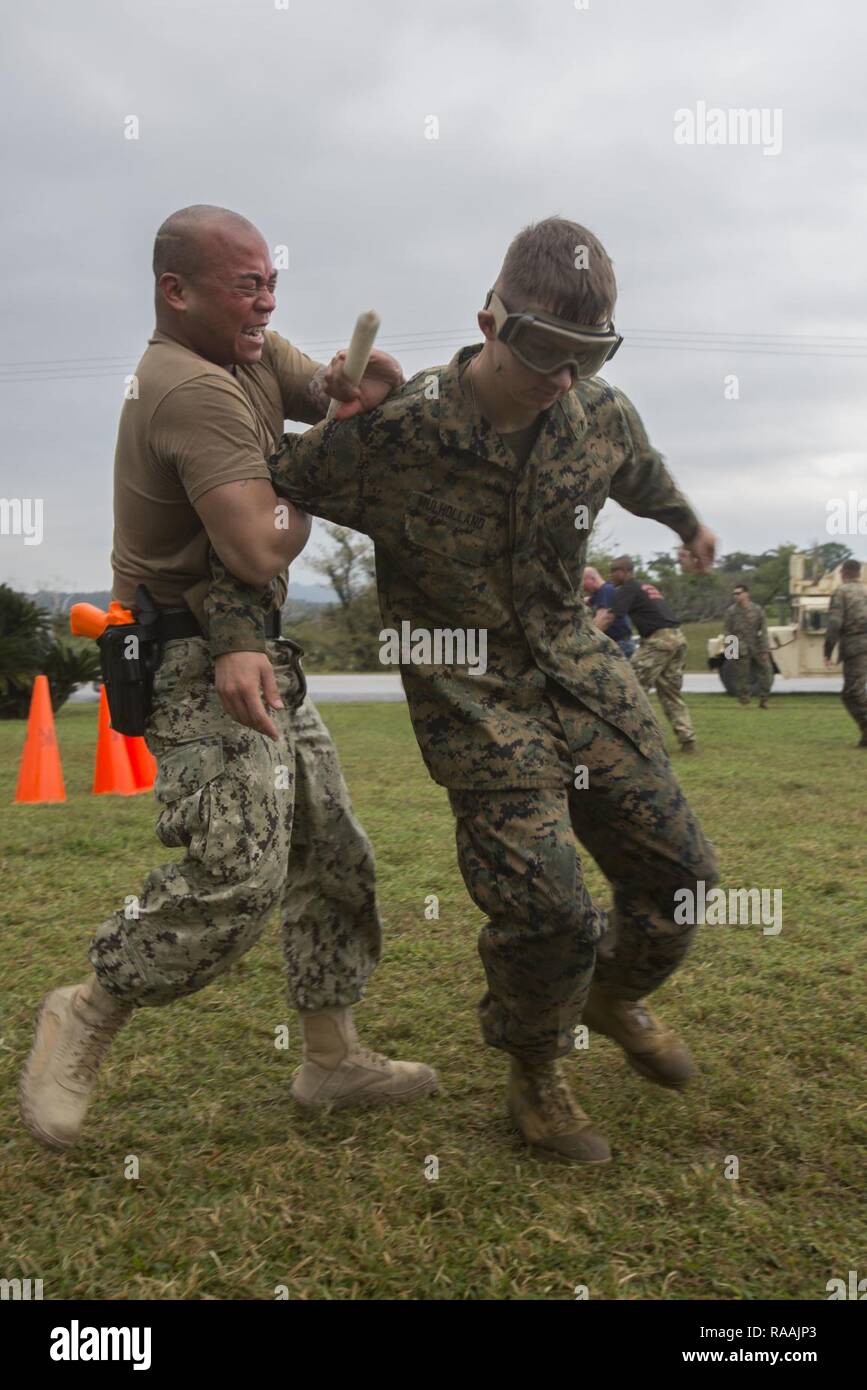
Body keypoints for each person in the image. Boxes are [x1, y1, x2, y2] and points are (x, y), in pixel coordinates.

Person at [204, 217, 720, 1166]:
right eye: (543, 350)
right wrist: (238, 637)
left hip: (585, 677)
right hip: (473, 696)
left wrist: (686, 521)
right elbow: (252, 513)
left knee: (684, 884)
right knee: (549, 908)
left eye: (589, 354)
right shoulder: (396, 434)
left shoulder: (598, 413)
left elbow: (636, 471)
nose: (563, 376)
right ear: (490, 321)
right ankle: (535, 1068)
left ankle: (610, 996)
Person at [19, 205, 436, 1154]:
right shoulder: (188, 389)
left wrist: (354, 383)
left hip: (252, 649)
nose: (267, 298)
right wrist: (311, 480)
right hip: (183, 656)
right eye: (246, 284)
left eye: (269, 280)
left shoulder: (245, 351)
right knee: (238, 873)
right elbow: (256, 547)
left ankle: (329, 1058)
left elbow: (323, 388)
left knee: (334, 855)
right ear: (178, 293)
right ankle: (87, 1006)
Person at [596, 557, 697, 751]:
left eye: (614, 571)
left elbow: (609, 617)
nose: (611, 575)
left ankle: (640, 739)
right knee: (670, 692)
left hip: (660, 640)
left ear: (625, 571)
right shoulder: (646, 586)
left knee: (630, 685)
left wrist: (587, 637)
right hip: (678, 638)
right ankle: (687, 739)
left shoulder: (628, 587)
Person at [823, 559, 867, 746]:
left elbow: (834, 623)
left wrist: (827, 650)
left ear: (843, 573)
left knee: (852, 692)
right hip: (859, 644)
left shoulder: (842, 592)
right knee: (854, 691)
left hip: (856, 645)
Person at [723, 583, 773, 707]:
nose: (736, 596)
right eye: (734, 594)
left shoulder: (757, 609)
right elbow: (728, 631)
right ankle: (744, 700)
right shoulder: (731, 611)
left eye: (738, 593)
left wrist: (765, 649)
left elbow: (763, 630)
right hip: (740, 645)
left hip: (756, 644)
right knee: (741, 675)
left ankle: (764, 699)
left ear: (746, 594)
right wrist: (731, 651)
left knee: (766, 671)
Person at [583, 566, 636, 658]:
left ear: (592, 579)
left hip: (620, 644)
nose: (582, 587)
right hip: (618, 643)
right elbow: (586, 600)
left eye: (583, 582)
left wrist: (586, 641)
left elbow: (603, 619)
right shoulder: (599, 594)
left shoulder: (606, 590)